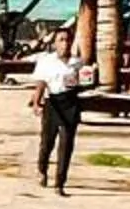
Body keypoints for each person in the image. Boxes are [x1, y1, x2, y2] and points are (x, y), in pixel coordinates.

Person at [27, 25, 86, 194]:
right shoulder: (46, 61)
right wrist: (36, 103)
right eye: (61, 40)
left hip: (71, 102)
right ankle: (42, 169)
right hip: (52, 102)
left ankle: (60, 182)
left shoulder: (77, 62)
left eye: (68, 40)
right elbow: (41, 84)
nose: (65, 44)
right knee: (47, 142)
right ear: (54, 43)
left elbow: (83, 82)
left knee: (66, 144)